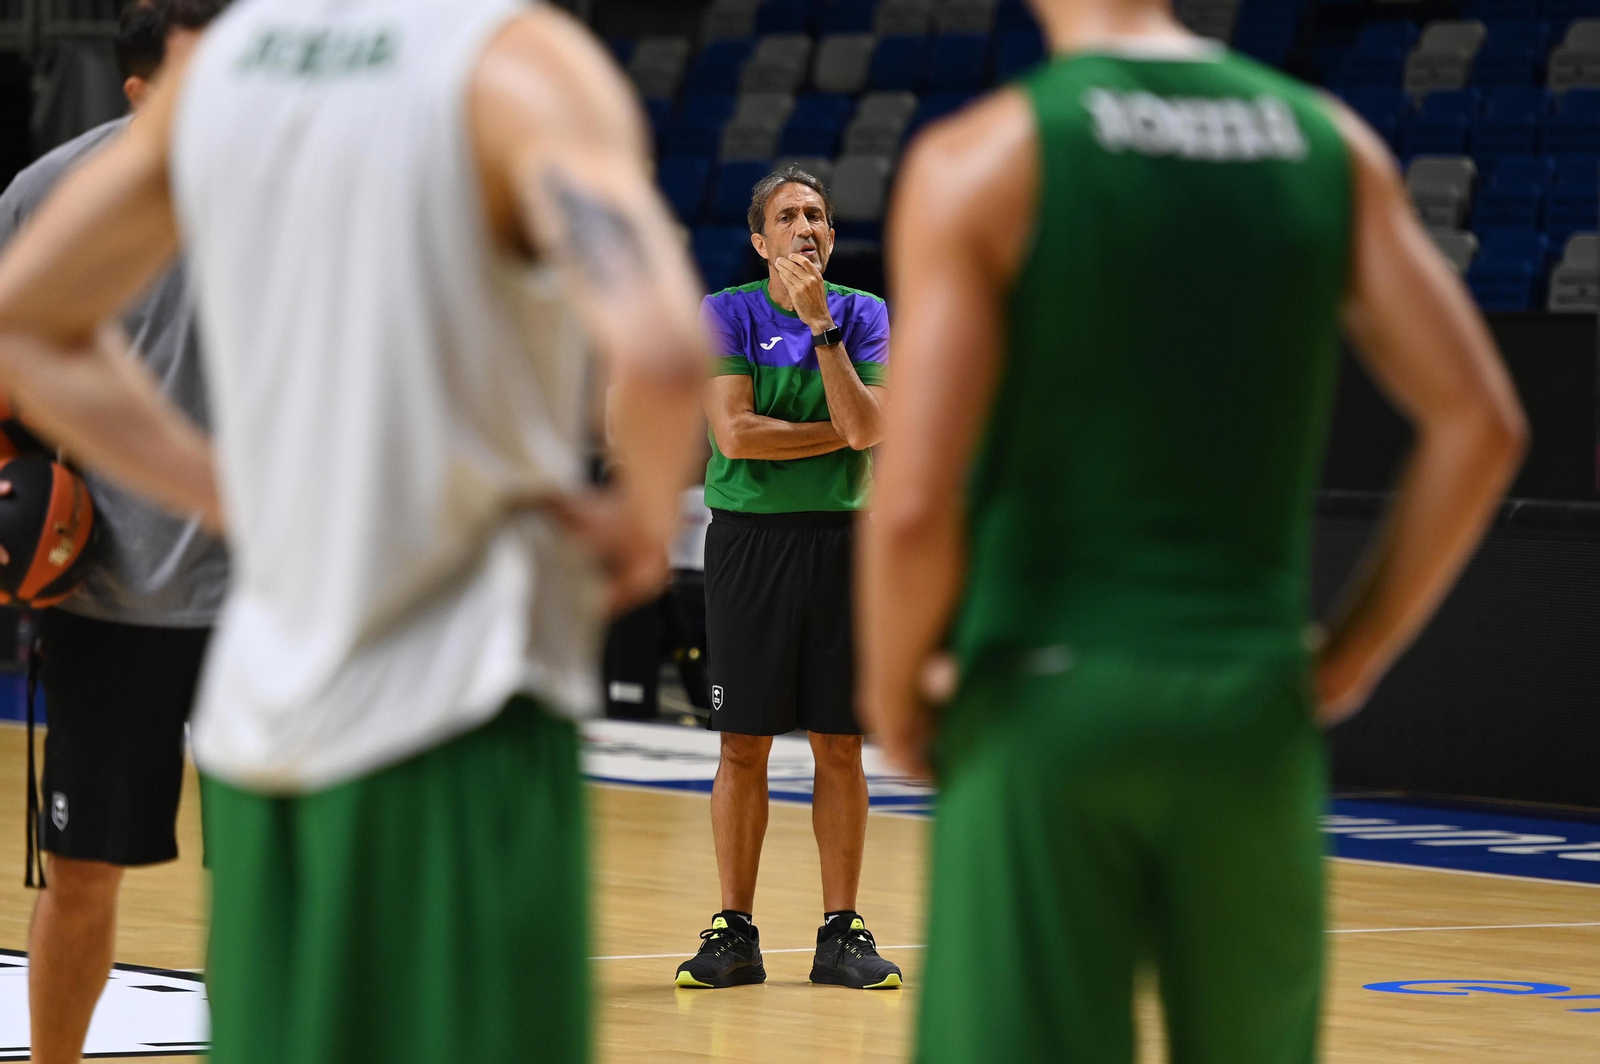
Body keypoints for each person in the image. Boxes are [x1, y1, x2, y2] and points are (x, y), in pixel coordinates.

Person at [0, 1, 707, 1062]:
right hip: (456, 692)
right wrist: (641, 517)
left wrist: (223, 488)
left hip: (267, 695)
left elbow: (28, 321)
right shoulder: (515, 64)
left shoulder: (235, 75)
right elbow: (657, 346)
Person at [860, 1, 1528, 1061]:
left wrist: (894, 691)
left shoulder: (986, 158)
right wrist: (1347, 656)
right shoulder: (1329, 144)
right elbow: (1482, 423)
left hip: (1043, 699)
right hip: (1248, 705)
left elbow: (910, 504)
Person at [0, 3, 228, 1062]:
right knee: (85, 870)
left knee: (290, 872)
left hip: (271, 600)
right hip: (107, 593)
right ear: (137, 92)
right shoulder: (48, 198)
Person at [674, 165, 900, 991]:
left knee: (841, 743)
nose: (806, 225)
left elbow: (870, 426)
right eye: (788, 215)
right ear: (761, 240)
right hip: (750, 544)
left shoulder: (863, 314)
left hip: (844, 542)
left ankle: (841, 933)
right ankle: (734, 932)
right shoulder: (726, 311)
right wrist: (843, 432)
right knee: (743, 743)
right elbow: (733, 436)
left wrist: (822, 332)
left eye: (818, 215)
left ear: (831, 237)